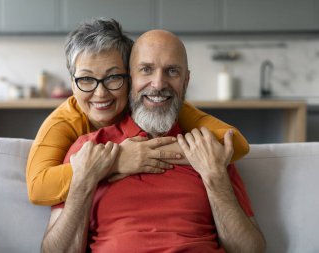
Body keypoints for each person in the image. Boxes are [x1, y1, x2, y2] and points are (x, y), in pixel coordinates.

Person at [41, 30, 266, 252]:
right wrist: (83, 182)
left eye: (172, 71)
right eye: (146, 70)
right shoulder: (89, 149)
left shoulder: (208, 150)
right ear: (130, 78)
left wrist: (215, 178)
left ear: (185, 81)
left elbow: (251, 249)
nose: (158, 84)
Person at [26, 18, 249, 206]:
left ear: (131, 78)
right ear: (72, 84)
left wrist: (148, 153)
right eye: (86, 79)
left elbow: (236, 144)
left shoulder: (154, 102)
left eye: (113, 77)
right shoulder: (64, 122)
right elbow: (38, 188)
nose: (100, 92)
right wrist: (116, 161)